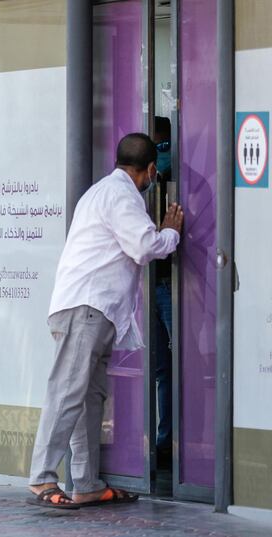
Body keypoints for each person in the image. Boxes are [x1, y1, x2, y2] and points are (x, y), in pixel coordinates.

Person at [27, 133, 184, 508]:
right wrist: (171, 233)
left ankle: (86, 482)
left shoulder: (99, 192)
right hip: (86, 308)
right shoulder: (121, 196)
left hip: (91, 310)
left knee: (89, 398)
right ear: (148, 170)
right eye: (153, 175)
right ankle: (42, 478)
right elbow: (144, 246)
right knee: (67, 392)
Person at [152, 116, 174, 469]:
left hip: (170, 283)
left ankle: (168, 440)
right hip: (153, 282)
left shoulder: (169, 160)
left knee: (175, 365)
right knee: (159, 368)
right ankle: (163, 441)